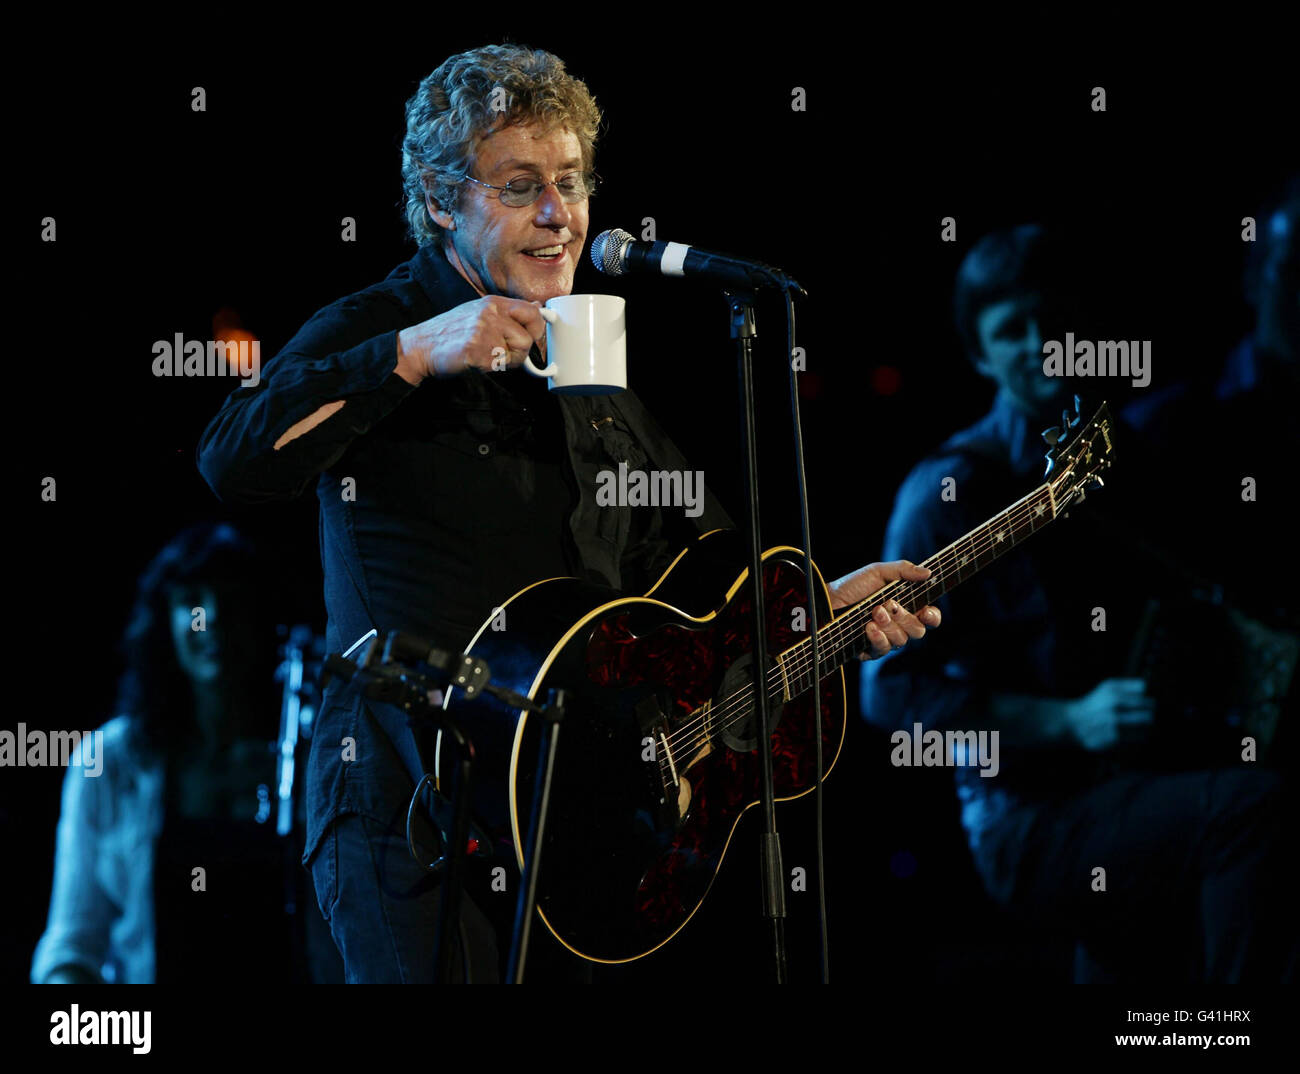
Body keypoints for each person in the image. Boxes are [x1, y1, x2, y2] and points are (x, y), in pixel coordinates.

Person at [197, 43, 940, 984]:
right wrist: (414, 353)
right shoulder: (377, 325)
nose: (559, 216)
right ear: (439, 201)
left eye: (571, 182)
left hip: (574, 816)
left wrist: (815, 611)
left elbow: (687, 583)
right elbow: (232, 462)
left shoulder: (586, 356)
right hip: (411, 812)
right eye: (519, 187)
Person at [861, 224, 1295, 982]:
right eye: (1011, 331)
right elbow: (888, 694)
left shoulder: (1126, 453)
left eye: (1052, 322)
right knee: (1253, 812)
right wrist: (1069, 721)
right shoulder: (947, 492)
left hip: (1144, 783)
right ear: (978, 353)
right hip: (1030, 819)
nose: (1040, 344)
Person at [31, 523, 306, 984]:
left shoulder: (309, 754)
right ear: (166, 623)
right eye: (193, 602)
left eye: (233, 599)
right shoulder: (109, 762)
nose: (213, 617)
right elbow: (73, 942)